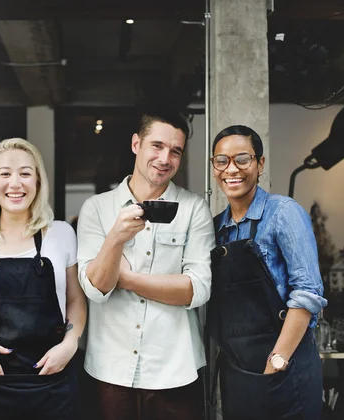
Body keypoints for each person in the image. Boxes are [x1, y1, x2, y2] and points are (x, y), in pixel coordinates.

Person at [77, 112, 215, 420]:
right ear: (136, 144)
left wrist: (124, 278)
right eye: (157, 146)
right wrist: (115, 238)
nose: (165, 158)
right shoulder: (96, 209)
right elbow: (95, 288)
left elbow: (197, 289)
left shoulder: (194, 209)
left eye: (175, 151)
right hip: (108, 368)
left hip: (175, 368)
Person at [0, 138, 86, 420]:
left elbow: (76, 299)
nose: (15, 183)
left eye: (25, 173)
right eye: (5, 174)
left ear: (38, 181)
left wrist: (70, 343)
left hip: (54, 380)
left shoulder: (62, 234)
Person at [207, 125, 326, 420]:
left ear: (260, 164)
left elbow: (308, 294)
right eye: (221, 161)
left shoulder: (283, 212)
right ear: (214, 167)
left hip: (286, 368)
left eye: (242, 159)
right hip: (237, 374)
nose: (231, 169)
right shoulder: (214, 228)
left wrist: (277, 360)